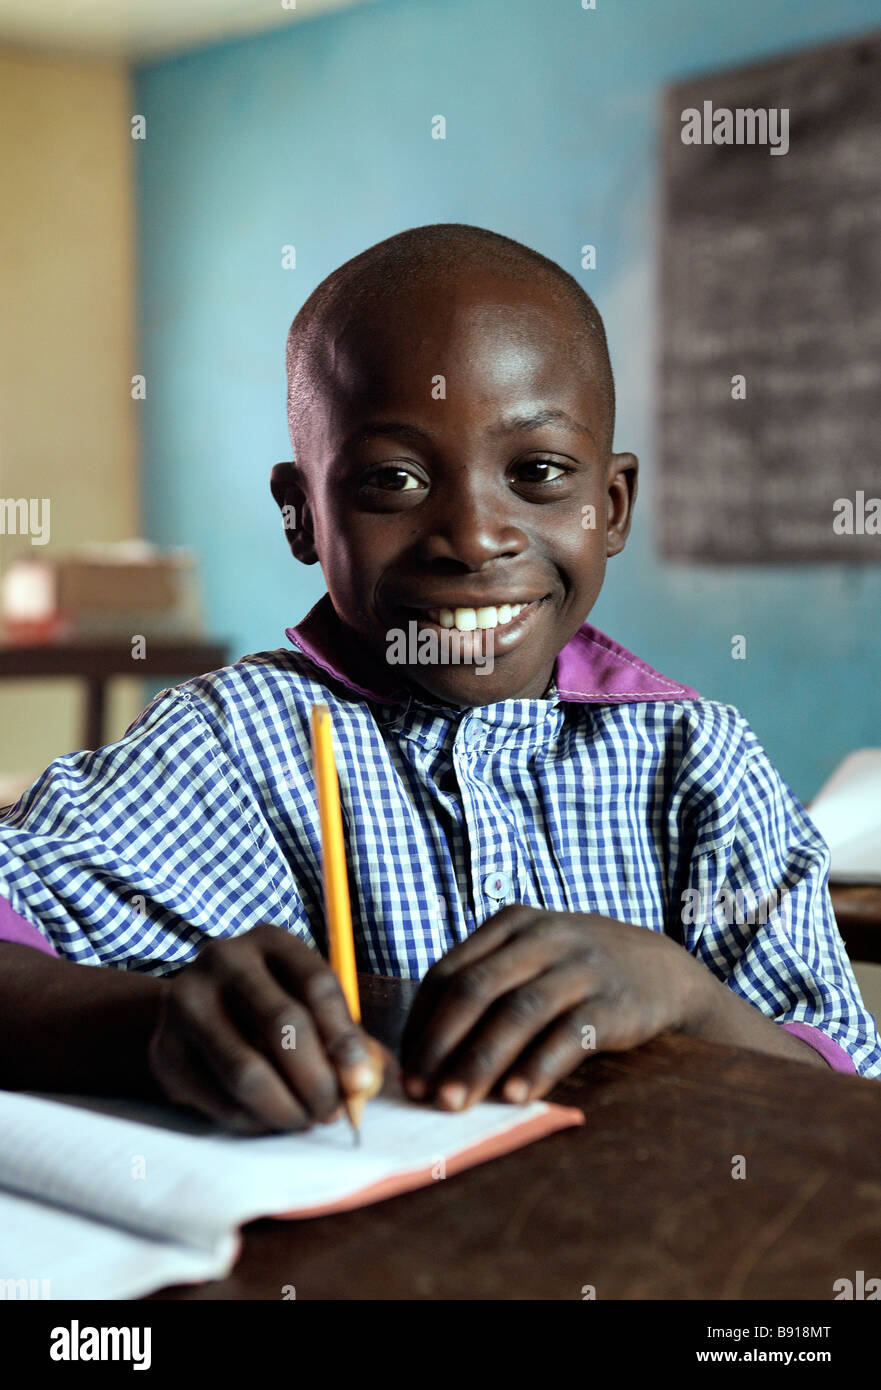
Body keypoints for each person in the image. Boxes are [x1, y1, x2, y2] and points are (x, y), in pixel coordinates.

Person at [1, 224, 877, 1136]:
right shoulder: (237, 745)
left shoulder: (697, 762)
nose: (472, 536)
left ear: (608, 507)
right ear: (303, 515)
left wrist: (686, 1001)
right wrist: (147, 1024)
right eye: (394, 479)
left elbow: (843, 1088)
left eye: (537, 472)